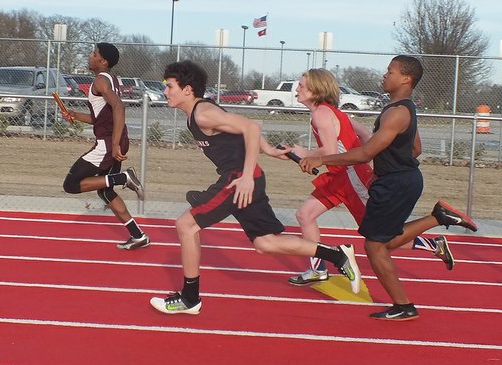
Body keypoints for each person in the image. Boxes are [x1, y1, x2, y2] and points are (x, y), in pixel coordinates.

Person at [149, 60, 361, 315]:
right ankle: (337, 255)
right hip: (246, 178)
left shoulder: (203, 112)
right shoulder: (196, 114)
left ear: (187, 89)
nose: (165, 91)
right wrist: (270, 150)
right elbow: (244, 127)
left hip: (239, 179)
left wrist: (247, 175)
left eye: (169, 86)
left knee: (186, 225)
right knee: (266, 243)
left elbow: (251, 127)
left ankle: (190, 298)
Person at [300, 55, 478, 321]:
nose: (385, 75)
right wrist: (397, 158)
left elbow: (365, 153)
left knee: (375, 246)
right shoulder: (402, 108)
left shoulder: (396, 112)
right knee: (384, 241)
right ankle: (438, 218)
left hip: (395, 182)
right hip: (400, 179)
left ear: (406, 78)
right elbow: (415, 148)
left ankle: (404, 304)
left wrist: (321, 159)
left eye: (390, 71)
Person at [286, 68, 458, 286]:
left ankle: (434, 245)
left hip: (352, 179)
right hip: (340, 176)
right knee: (305, 215)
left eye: (301, 85)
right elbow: (367, 135)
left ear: (315, 89)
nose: (297, 89)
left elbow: (330, 150)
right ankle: (317, 268)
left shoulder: (320, 113)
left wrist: (303, 153)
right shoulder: (334, 112)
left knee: (381, 237)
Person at [60, 42, 149, 250]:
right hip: (115, 140)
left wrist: (115, 144)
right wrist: (75, 115)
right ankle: (138, 235)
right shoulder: (110, 80)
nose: (90, 56)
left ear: (103, 61)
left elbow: (119, 106)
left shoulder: (100, 81)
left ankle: (124, 177)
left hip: (108, 144)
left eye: (94, 53)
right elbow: (100, 118)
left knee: (71, 185)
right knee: (106, 192)